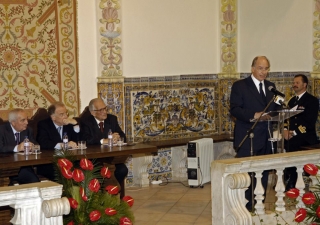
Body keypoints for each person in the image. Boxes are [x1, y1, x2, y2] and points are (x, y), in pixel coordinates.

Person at [229, 56, 281, 211]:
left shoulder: (271, 87)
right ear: (252, 68)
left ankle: (259, 204)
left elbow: (276, 109)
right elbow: (235, 109)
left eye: (266, 68)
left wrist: (282, 112)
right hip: (248, 137)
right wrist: (254, 114)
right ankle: (243, 207)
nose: (263, 72)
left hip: (266, 137)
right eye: (260, 68)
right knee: (246, 174)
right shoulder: (240, 86)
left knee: (263, 172)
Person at [283, 74, 319, 191]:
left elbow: (309, 122)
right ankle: (288, 176)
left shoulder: (312, 100)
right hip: (291, 136)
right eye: (294, 82)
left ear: (304, 85)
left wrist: (293, 133)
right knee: (281, 143)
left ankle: (293, 180)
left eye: (297, 82)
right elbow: (285, 119)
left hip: (305, 136)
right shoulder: (292, 101)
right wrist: (285, 131)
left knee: (294, 143)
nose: (294, 84)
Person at [80, 98, 128, 185]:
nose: (105, 112)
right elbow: (86, 139)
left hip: (111, 158)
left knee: (122, 170)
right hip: (95, 160)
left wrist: (117, 138)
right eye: (101, 110)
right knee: (99, 173)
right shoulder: (85, 122)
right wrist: (104, 140)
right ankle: (103, 193)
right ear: (93, 112)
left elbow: (123, 136)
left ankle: (114, 193)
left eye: (105, 108)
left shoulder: (112, 119)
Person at [36, 102, 80, 180]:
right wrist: (62, 145)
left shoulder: (68, 124)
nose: (66, 116)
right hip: (50, 162)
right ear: (53, 117)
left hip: (69, 159)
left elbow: (79, 140)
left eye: (66, 113)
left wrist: (75, 124)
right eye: (62, 114)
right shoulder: (43, 125)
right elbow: (43, 143)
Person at [0, 108, 40, 184]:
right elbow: (1, 147)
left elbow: (36, 144)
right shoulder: (2, 130)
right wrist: (17, 148)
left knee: (34, 182)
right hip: (6, 166)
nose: (27, 122)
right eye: (23, 120)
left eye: (27, 119)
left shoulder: (28, 130)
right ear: (13, 122)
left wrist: (32, 146)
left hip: (23, 165)